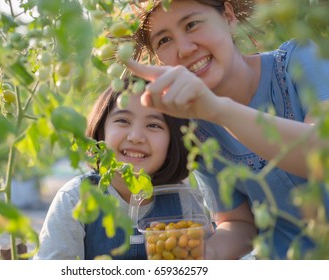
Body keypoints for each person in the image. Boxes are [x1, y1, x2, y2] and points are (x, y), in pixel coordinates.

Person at [123, 0, 329, 259]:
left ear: (228, 17)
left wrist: (219, 111)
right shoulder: (197, 128)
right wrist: (199, 256)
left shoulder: (303, 58)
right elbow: (239, 223)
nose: (184, 49)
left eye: (192, 24)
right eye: (164, 40)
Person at [33, 78, 192, 260]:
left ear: (173, 143)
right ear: (101, 134)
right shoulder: (74, 199)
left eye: (154, 125)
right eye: (123, 120)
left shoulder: (184, 200)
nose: (135, 137)